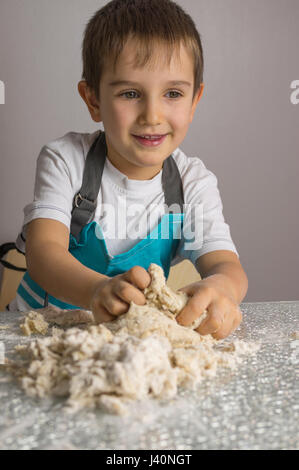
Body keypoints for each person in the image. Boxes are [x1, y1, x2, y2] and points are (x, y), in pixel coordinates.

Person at [9, 0, 248, 340]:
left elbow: (227, 266)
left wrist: (220, 287)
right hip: (39, 332)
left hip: (124, 341)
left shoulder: (192, 183)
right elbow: (43, 253)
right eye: (131, 93)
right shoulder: (66, 160)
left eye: (173, 93)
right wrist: (96, 291)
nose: (152, 115)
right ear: (93, 100)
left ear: (195, 101)